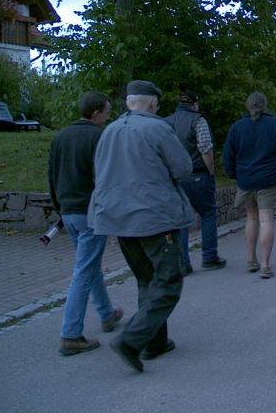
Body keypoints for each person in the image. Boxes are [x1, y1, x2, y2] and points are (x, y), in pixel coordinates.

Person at [89, 80, 195, 372]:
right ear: (151, 103)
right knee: (169, 281)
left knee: (147, 280)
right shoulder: (157, 128)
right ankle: (131, 341)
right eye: (157, 104)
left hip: (118, 220)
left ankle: (155, 342)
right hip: (154, 218)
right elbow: (183, 168)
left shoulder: (108, 131)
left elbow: (100, 173)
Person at [48, 92, 123, 356]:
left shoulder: (61, 137)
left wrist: (60, 207)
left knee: (89, 266)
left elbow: (52, 174)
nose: (108, 115)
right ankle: (70, 334)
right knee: (83, 270)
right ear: (95, 114)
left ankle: (106, 314)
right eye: (107, 111)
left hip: (68, 212)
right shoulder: (99, 137)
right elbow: (106, 178)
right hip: (91, 213)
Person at [223, 92, 276, 279]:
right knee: (266, 220)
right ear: (265, 105)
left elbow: (228, 155)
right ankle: (265, 265)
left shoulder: (237, 127)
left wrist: (234, 174)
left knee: (251, 219)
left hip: (246, 179)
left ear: (248, 106)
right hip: (270, 179)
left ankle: (250, 260)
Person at [166, 91, 225, 275]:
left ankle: (183, 263)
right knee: (208, 213)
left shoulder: (166, 122)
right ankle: (209, 257)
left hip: (175, 178)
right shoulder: (198, 120)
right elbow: (206, 148)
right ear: (194, 104)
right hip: (198, 174)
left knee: (182, 219)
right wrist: (211, 171)